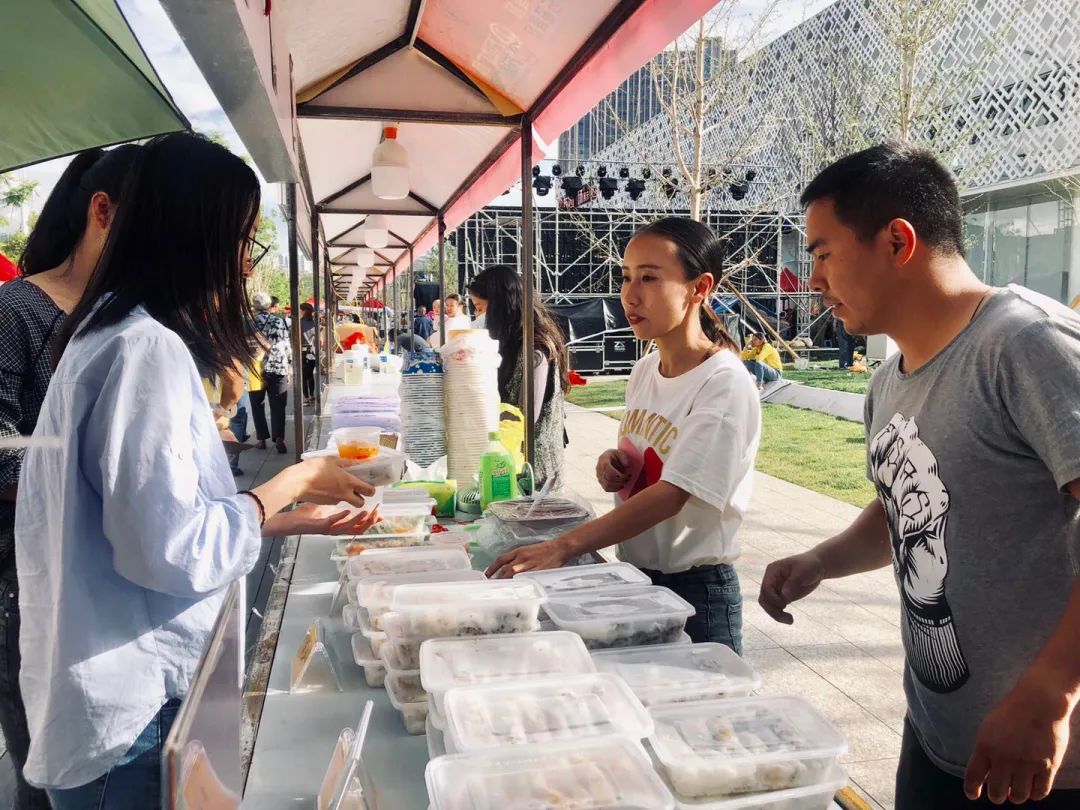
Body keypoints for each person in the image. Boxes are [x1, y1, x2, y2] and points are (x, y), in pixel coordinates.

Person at [14, 133, 378, 809]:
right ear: (189, 232)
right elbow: (170, 550)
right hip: (130, 713)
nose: (245, 264)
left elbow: (142, 524)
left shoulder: (108, 334)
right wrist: (290, 483)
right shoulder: (141, 349)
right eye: (239, 239)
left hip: (117, 695)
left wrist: (282, 518)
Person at [757, 142, 1080, 809]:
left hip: (1044, 766)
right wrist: (822, 559)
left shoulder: (1025, 344)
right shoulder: (888, 384)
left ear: (898, 241)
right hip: (936, 744)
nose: (811, 278)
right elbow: (907, 508)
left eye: (821, 252)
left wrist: (1052, 690)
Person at [487, 219, 760, 653]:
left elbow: (673, 494)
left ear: (699, 287)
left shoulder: (723, 382)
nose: (630, 295)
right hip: (636, 575)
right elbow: (646, 459)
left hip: (696, 591)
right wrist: (612, 463)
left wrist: (563, 546)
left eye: (650, 278)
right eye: (626, 277)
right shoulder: (644, 370)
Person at [0, 145, 140, 810]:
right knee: (49, 771)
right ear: (101, 211)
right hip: (30, 583)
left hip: (112, 579)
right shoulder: (17, 311)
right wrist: (93, 462)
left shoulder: (125, 318)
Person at [468, 265, 569, 489]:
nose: (477, 316)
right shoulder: (508, 345)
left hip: (534, 474)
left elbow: (524, 418)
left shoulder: (535, 351)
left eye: (479, 308)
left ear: (500, 306)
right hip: (508, 464)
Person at [251, 290, 291, 453]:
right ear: (269, 306)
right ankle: (279, 438)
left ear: (254, 307)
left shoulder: (249, 322)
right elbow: (286, 345)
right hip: (278, 366)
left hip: (256, 367)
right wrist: (289, 365)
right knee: (278, 404)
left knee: (257, 404)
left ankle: (261, 439)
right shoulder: (280, 321)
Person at [299, 302, 318, 404]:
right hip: (313, 353)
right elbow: (320, 340)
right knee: (310, 375)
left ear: (304, 311)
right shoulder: (315, 323)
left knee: (304, 377)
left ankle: (306, 397)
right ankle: (312, 395)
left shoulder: (299, 323)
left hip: (302, 352)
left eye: (300, 310)